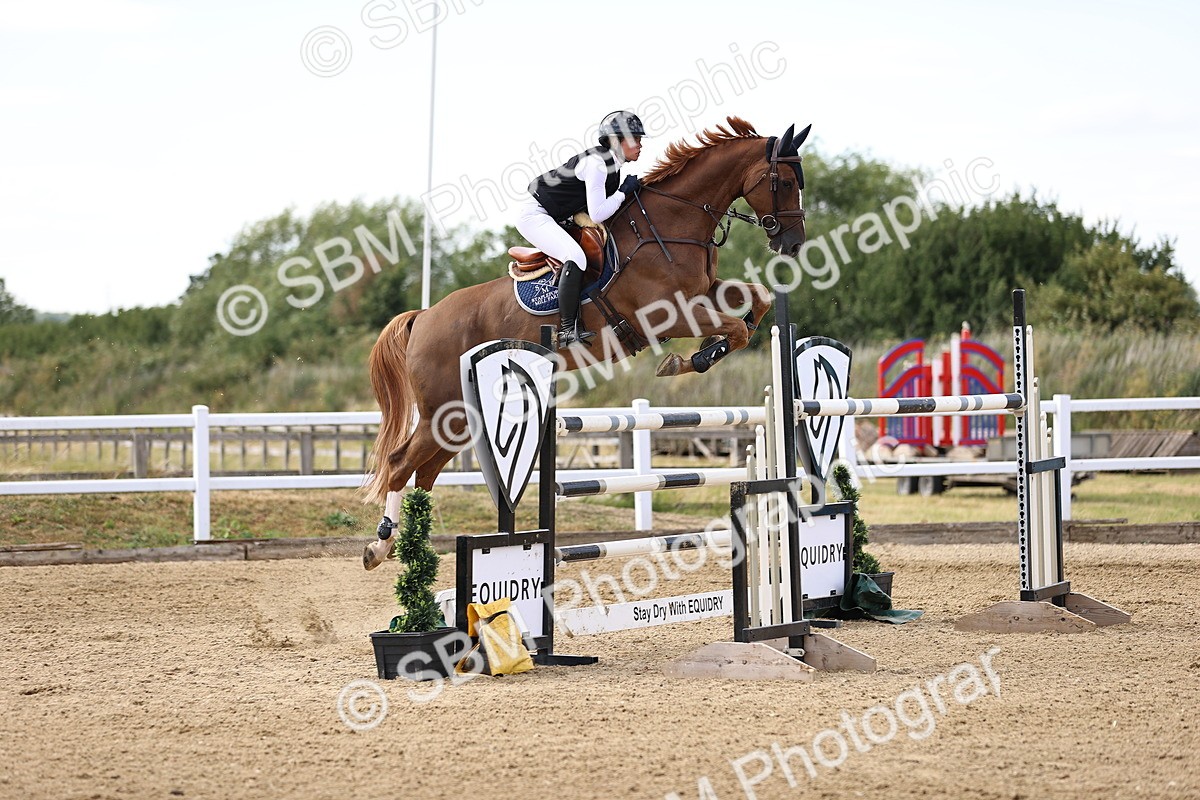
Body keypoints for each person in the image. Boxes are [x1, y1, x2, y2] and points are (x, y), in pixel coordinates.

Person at [518, 110, 645, 348]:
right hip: (535, 215)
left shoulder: (612, 166)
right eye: (635, 139)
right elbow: (597, 213)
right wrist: (623, 192)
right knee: (575, 256)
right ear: (617, 141)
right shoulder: (598, 164)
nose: (640, 144)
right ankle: (567, 330)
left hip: (556, 215)